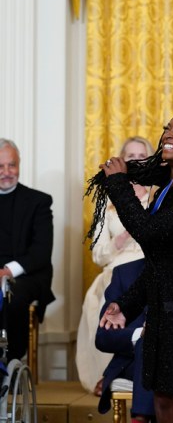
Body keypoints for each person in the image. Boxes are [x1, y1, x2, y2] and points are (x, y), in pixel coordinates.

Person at [86, 111, 173, 423]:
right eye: (167, 129)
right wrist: (125, 304)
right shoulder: (167, 188)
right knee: (162, 410)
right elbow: (160, 264)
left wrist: (120, 185)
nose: (168, 135)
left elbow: (149, 233)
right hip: (164, 318)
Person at [76, 136, 154, 395]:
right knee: (102, 301)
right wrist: (119, 240)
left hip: (150, 267)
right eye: (130, 156)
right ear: (122, 161)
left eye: (141, 155)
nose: (136, 160)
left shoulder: (157, 194)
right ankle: (107, 374)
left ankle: (134, 369)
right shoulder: (107, 201)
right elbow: (98, 255)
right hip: (116, 267)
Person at [0, 138, 55, 362]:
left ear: (19, 164)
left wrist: (7, 272)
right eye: (0, 166)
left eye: (11, 165)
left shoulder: (38, 202)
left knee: (13, 296)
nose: (6, 172)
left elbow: (41, 251)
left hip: (26, 274)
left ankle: (11, 360)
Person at [95, 258, 156, 422]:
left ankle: (140, 417)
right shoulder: (124, 273)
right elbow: (103, 337)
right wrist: (140, 334)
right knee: (148, 343)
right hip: (132, 362)